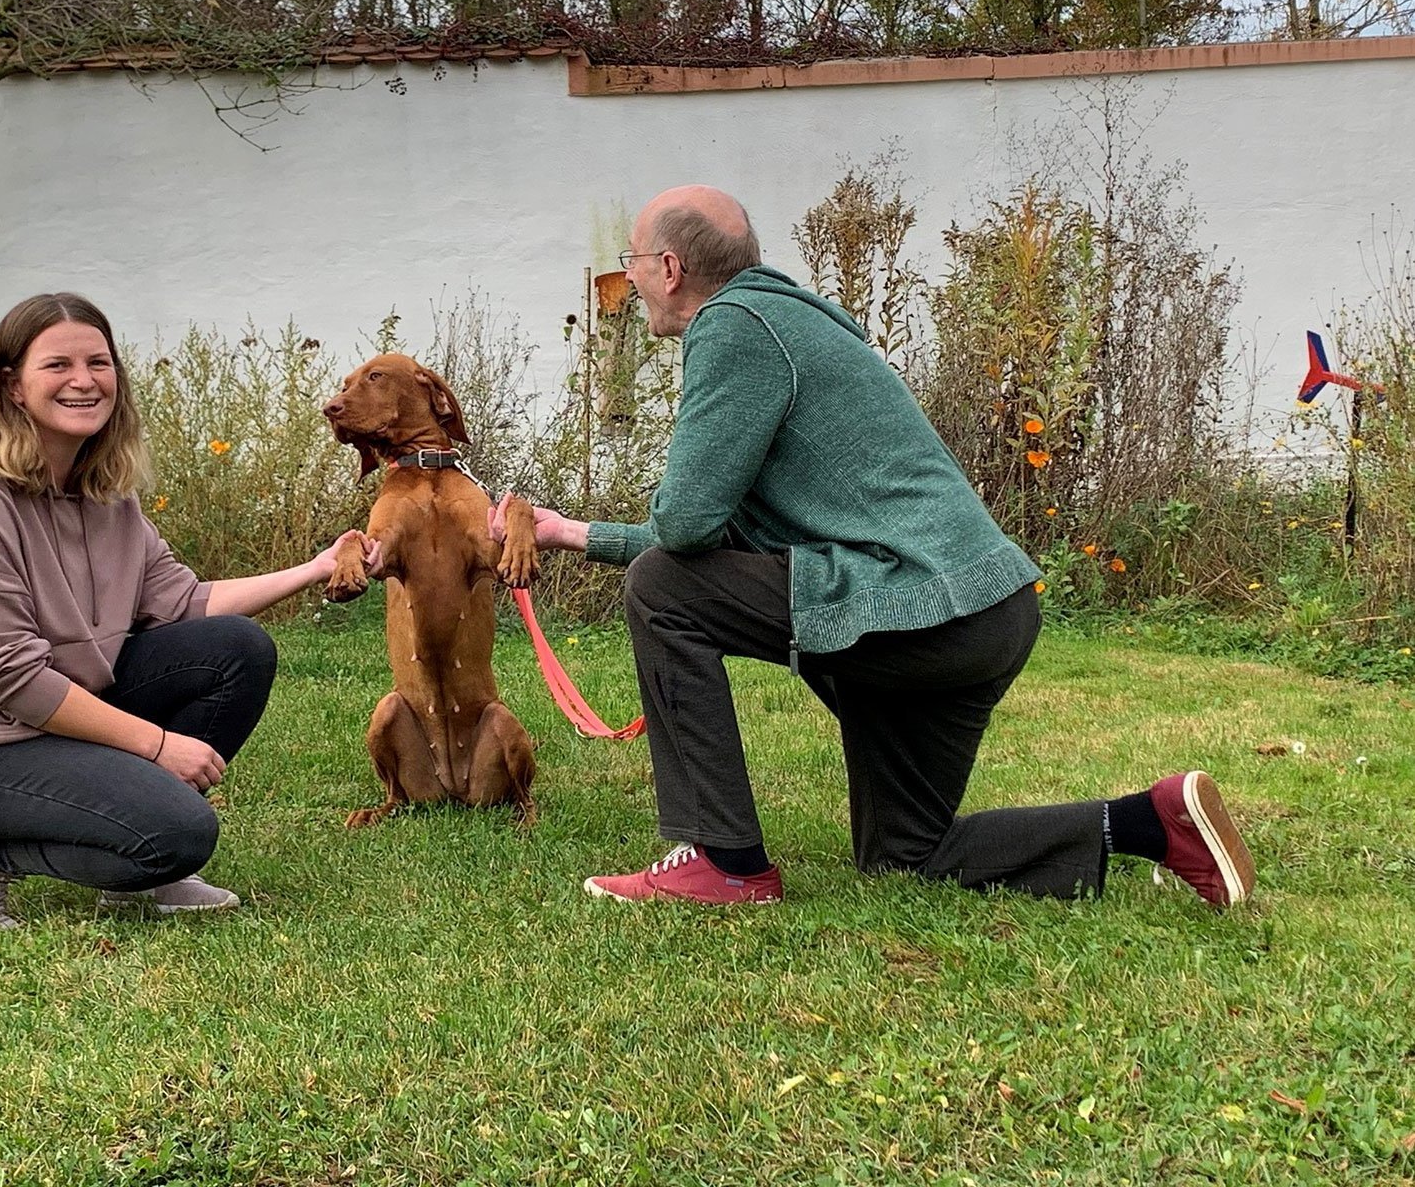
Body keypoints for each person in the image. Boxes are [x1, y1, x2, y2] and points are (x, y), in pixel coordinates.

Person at [494, 185, 1255, 909]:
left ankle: (722, 863)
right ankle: (1148, 823)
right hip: (983, 614)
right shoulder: (796, 320)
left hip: (915, 607)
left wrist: (603, 539)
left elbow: (686, 528)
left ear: (669, 268)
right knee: (906, 852)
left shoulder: (732, 325)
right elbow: (719, 528)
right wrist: (572, 533)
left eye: (630, 261)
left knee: (662, 589)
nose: (629, 282)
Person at [0, 292, 376, 930]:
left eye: (99, 362)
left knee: (236, 650)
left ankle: (122, 839)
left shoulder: (103, 491)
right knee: (175, 835)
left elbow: (182, 601)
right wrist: (157, 746)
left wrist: (315, 568)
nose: (84, 381)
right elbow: (6, 677)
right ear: (13, 386)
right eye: (57, 365)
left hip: (50, 715)